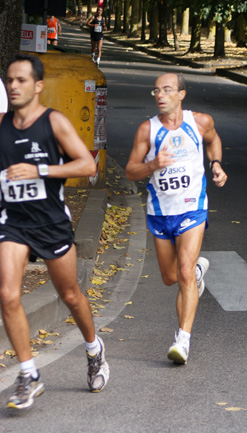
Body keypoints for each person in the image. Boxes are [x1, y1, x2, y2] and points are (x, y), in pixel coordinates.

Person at [0, 54, 110, 410]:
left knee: (71, 295)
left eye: (20, 80)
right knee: (7, 294)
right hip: (13, 222)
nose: (13, 86)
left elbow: (86, 164)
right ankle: (29, 374)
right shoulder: (1, 125)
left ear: (38, 86)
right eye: (9, 80)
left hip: (50, 223)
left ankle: (94, 349)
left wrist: (39, 170)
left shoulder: (54, 123)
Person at [125, 72, 227, 365]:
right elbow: (131, 170)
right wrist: (154, 164)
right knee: (172, 278)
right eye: (156, 90)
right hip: (160, 212)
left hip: (192, 208)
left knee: (182, 272)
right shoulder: (147, 130)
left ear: (181, 94)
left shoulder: (200, 122)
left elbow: (213, 139)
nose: (160, 95)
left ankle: (182, 340)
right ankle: (196, 274)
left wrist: (216, 164)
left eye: (167, 90)